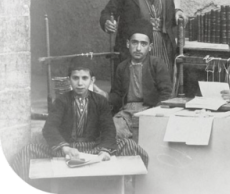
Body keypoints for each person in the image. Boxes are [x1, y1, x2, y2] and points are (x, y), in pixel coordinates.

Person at [10, 56, 149, 188]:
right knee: (27, 151)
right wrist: (65, 147)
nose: (80, 83)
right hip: (69, 149)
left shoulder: (100, 101)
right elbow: (49, 128)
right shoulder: (61, 101)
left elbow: (108, 128)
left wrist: (105, 150)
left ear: (92, 80)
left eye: (84, 78)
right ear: (69, 79)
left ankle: (137, 189)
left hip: (94, 148)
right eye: (75, 78)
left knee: (132, 147)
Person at [110, 19, 173, 138]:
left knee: (151, 136)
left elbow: (167, 93)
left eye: (143, 44)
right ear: (128, 44)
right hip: (127, 112)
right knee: (113, 130)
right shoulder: (122, 67)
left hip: (150, 110)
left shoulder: (156, 64)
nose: (138, 48)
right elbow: (117, 95)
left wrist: (156, 112)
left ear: (150, 47)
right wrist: (105, 96)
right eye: (135, 43)